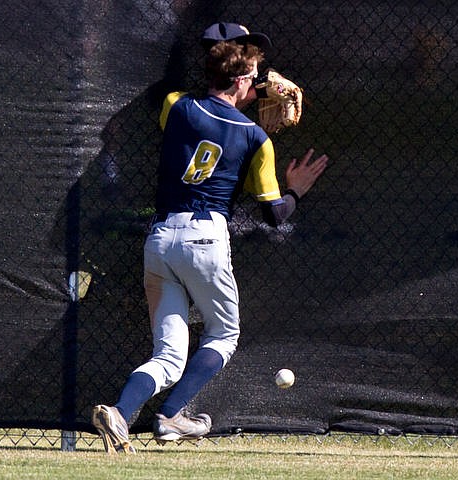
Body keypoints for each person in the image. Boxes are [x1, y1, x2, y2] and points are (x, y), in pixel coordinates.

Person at [91, 22, 328, 454]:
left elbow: (187, 104)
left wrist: (243, 89)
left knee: (168, 355)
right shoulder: (256, 137)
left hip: (160, 239)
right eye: (253, 78)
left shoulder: (177, 107)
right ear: (240, 80)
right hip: (205, 239)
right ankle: (170, 416)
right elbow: (275, 215)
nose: (259, 84)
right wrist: (296, 188)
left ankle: (122, 413)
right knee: (223, 334)